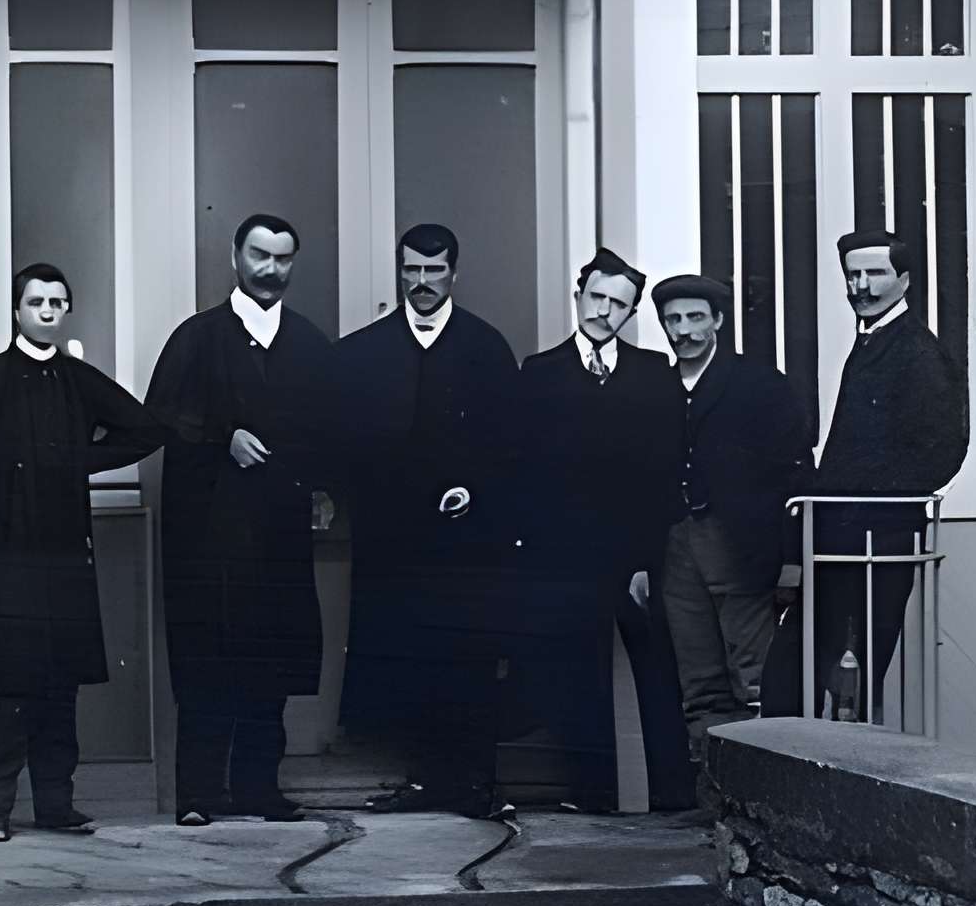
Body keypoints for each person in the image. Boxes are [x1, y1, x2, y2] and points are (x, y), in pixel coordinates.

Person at [0, 263, 163, 842]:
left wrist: (78, 460)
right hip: (3, 558)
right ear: (16, 310)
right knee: (5, 692)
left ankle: (55, 806)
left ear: (67, 310)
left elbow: (145, 430)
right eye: (36, 302)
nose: (46, 311)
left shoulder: (78, 379)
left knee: (60, 690)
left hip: (66, 558)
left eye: (56, 302)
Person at [314, 226, 522, 819]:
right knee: (406, 658)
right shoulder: (363, 353)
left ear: (455, 272)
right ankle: (424, 782)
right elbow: (341, 442)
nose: (423, 282)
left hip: (468, 542)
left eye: (434, 271)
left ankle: (477, 786)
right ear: (399, 271)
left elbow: (512, 445)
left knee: (468, 661)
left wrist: (472, 489)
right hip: (394, 543)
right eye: (412, 270)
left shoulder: (486, 347)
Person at [144, 215, 327, 825]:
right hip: (210, 536)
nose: (270, 269)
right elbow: (160, 416)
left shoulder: (308, 343)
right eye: (259, 255)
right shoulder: (196, 338)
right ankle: (198, 794)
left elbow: (330, 429)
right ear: (235, 257)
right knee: (207, 660)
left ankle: (258, 789)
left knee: (268, 663)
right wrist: (222, 437)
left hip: (277, 535)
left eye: (282, 258)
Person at [504, 250, 691, 813]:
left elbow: (664, 469)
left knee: (657, 670)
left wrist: (646, 558)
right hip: (563, 553)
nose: (603, 311)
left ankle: (674, 794)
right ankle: (593, 795)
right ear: (578, 296)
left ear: (630, 314)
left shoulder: (654, 373)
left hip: (635, 554)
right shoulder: (539, 372)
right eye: (596, 297)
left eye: (618, 304)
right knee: (576, 673)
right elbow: (523, 465)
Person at [769, 231, 968, 722]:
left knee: (853, 679)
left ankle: (835, 766)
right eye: (852, 275)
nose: (861, 285)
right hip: (839, 538)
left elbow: (943, 451)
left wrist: (858, 495)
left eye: (875, 273)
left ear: (905, 280)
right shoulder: (872, 340)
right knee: (801, 669)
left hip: (877, 538)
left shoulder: (920, 352)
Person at [650, 272, 808, 751]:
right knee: (699, 682)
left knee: (755, 677)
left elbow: (794, 474)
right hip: (677, 550)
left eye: (695, 317)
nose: (684, 330)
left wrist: (791, 559)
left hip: (743, 548)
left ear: (718, 320)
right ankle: (712, 787)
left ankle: (763, 786)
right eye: (673, 320)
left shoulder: (759, 384)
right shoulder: (656, 387)